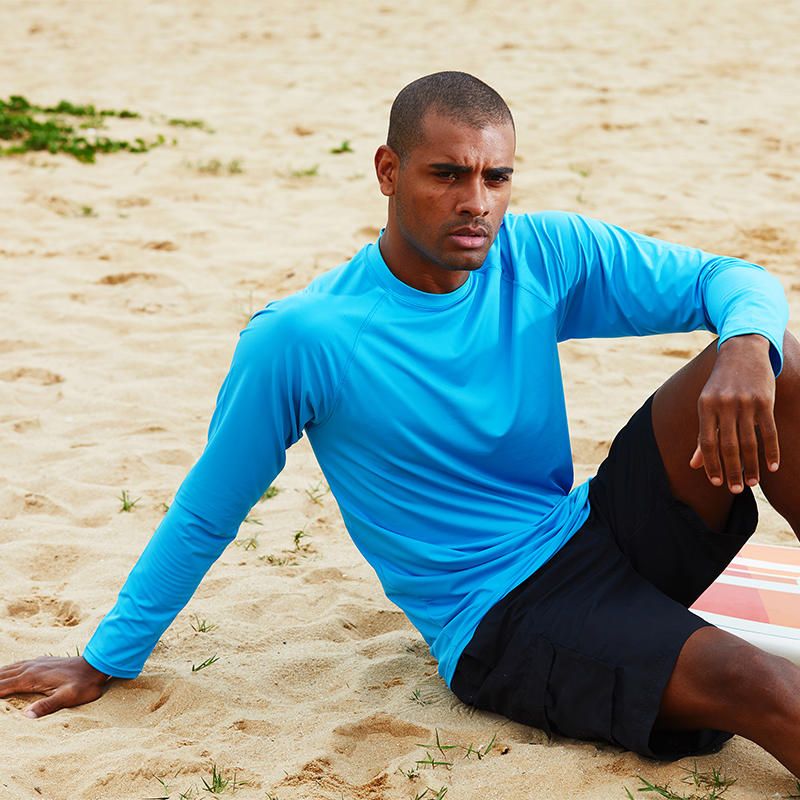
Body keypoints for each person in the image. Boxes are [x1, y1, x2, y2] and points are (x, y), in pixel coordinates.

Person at [1, 71, 798, 774]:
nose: (476, 202)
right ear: (388, 171)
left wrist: (745, 346)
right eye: (448, 174)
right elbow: (208, 510)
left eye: (495, 177)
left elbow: (734, 277)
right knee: (762, 686)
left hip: (591, 527)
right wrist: (106, 658)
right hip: (503, 617)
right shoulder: (303, 337)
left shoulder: (542, 254)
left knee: (780, 359)